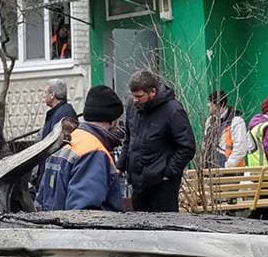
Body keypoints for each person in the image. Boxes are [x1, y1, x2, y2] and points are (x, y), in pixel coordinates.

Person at [37, 85, 125, 211]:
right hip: (81, 230)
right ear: (113, 122)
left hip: (53, 226)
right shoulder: (93, 152)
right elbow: (84, 212)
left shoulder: (66, 141)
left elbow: (42, 198)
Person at [122, 70, 194, 212]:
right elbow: (129, 138)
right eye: (133, 96)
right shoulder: (133, 106)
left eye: (139, 96)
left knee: (165, 230)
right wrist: (122, 165)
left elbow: (187, 146)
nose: (135, 100)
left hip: (162, 186)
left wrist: (168, 173)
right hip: (138, 183)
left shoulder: (173, 110)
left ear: (153, 92)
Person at [212, 97, 250, 167]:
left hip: (232, 170)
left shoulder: (236, 121)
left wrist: (228, 165)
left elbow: (240, 148)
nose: (210, 110)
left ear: (221, 105)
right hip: (217, 168)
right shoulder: (212, 122)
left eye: (211, 106)